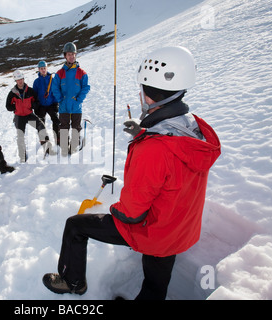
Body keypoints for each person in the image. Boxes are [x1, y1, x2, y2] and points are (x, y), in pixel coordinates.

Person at [43, 46, 221, 299]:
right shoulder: (195, 126)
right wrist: (143, 131)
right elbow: (174, 157)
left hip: (155, 229)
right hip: (180, 226)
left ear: (148, 96)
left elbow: (132, 212)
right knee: (155, 287)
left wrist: (114, 211)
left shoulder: (154, 149)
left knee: (75, 226)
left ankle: (72, 282)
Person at [6, 70, 55, 162]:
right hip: (19, 117)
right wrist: (16, 107)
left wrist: (33, 105)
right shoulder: (12, 93)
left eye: (21, 79)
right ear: (15, 81)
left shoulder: (30, 91)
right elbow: (8, 106)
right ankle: (23, 156)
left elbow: (37, 101)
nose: (20, 81)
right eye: (18, 80)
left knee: (41, 126)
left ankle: (47, 148)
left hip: (29, 115)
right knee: (20, 136)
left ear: (23, 79)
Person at [51, 42, 90, 156]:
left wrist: (79, 99)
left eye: (73, 54)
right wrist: (60, 99)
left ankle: (74, 148)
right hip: (63, 107)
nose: (71, 56)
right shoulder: (60, 73)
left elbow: (86, 87)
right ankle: (64, 149)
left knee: (76, 127)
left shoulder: (81, 73)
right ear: (65, 56)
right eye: (69, 54)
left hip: (76, 107)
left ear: (75, 55)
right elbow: (55, 87)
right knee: (63, 128)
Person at [33, 61, 60, 146]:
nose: (43, 70)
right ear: (39, 69)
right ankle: (44, 140)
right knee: (41, 123)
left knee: (56, 120)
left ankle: (58, 138)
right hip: (41, 105)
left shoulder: (53, 79)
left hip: (51, 104)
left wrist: (56, 103)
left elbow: (55, 92)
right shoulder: (36, 82)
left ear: (47, 68)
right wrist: (36, 105)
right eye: (41, 68)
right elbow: (35, 94)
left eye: (44, 68)